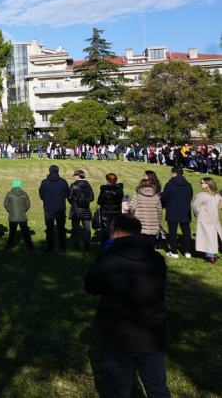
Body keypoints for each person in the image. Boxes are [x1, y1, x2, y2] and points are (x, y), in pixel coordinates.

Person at [85, 214, 170, 398]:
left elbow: (91, 286)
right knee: (157, 387)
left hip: (118, 333)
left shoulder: (109, 259)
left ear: (116, 232)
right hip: (150, 329)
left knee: (118, 388)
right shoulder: (156, 259)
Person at [160, 167, 193, 259]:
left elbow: (165, 197)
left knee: (172, 232)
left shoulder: (170, 184)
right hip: (184, 210)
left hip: (172, 210)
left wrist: (166, 204)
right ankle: (187, 251)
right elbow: (190, 197)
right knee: (186, 231)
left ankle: (174, 251)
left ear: (174, 173)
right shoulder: (188, 185)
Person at [39, 165, 69, 252]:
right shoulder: (63, 182)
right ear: (58, 171)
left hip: (49, 208)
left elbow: (41, 194)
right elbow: (67, 194)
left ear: (49, 171)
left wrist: (47, 199)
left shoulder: (44, 182)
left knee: (49, 229)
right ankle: (62, 247)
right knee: (61, 228)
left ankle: (50, 247)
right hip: (60, 208)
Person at [192, 178, 222, 264]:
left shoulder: (202, 195)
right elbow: (220, 206)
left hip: (204, 219)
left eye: (202, 183)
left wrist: (198, 212)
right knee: (212, 237)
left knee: (207, 237)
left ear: (208, 184)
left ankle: (210, 256)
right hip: (213, 219)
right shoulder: (217, 195)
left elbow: (195, 206)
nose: (200, 184)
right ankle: (213, 254)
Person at [69, 170, 95, 252]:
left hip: (75, 209)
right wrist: (86, 202)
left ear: (78, 176)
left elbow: (69, 197)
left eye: (74, 175)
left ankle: (76, 245)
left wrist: (74, 203)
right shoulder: (88, 185)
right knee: (87, 229)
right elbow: (92, 197)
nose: (73, 177)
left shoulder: (73, 185)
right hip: (86, 209)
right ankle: (87, 245)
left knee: (75, 228)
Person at [4, 179, 33, 250]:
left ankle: (9, 246)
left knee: (12, 232)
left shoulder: (9, 194)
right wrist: (23, 210)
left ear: (13, 185)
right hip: (22, 216)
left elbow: (5, 204)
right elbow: (28, 205)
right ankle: (30, 246)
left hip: (12, 216)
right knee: (25, 232)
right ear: (20, 185)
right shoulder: (25, 194)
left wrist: (10, 211)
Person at [97, 173, 124, 249]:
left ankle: (105, 248)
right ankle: (115, 247)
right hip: (116, 213)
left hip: (105, 213)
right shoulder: (120, 190)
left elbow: (99, 201)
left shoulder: (104, 190)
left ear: (107, 180)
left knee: (106, 232)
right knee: (115, 231)